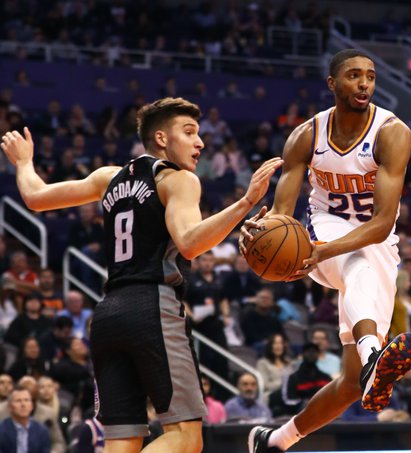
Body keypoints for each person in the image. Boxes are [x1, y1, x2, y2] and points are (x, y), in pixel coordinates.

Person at [1, 96, 282, 453]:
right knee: (186, 437)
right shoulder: (178, 179)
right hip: (153, 306)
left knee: (123, 442)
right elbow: (190, 243)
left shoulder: (108, 177)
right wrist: (245, 203)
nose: (200, 143)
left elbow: (36, 197)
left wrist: (24, 162)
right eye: (190, 132)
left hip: (108, 314)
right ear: (162, 139)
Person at [241, 49, 411, 453]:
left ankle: (275, 440)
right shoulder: (307, 135)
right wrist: (258, 235)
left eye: (371, 77)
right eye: (354, 76)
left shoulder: (393, 133)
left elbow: (382, 222)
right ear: (333, 84)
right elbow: (281, 217)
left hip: (376, 240)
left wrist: (324, 252)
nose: (364, 84)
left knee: (351, 385)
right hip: (322, 231)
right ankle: (376, 354)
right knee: (356, 266)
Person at [0, 388, 50, 453]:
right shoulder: (1, 429)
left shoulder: (42, 430)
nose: (23, 404)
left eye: (26, 400)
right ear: (10, 407)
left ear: (32, 406)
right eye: (18, 401)